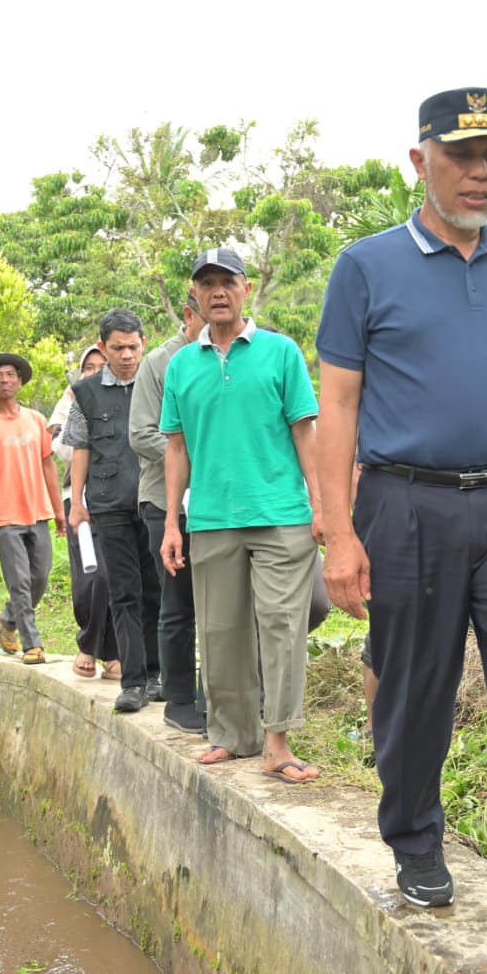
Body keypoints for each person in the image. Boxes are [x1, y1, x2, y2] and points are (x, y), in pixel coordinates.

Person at [314, 88, 487, 974]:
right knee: (414, 690)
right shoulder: (366, 267)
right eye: (462, 155)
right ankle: (414, 835)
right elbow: (340, 406)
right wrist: (339, 535)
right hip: (406, 506)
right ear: (420, 159)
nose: (480, 174)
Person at [160, 247, 321, 785]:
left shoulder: (280, 352)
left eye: (227, 281)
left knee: (281, 627)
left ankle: (277, 741)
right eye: (207, 284)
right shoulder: (182, 364)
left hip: (281, 514)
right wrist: (170, 524)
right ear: (196, 295)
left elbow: (305, 431)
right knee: (222, 630)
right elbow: (177, 449)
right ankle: (233, 735)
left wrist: (322, 509)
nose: (218, 292)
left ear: (245, 288)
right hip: (210, 517)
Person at [66, 308, 162, 712]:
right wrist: (77, 503)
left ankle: (159, 676)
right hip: (109, 506)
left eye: (133, 347)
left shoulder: (160, 383)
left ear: (143, 344)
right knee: (123, 591)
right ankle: (133, 681)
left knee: (157, 591)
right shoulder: (85, 393)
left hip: (156, 501)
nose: (126, 355)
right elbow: (81, 448)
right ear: (103, 348)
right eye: (118, 348)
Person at [129, 294, 209, 734]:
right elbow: (142, 433)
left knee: (219, 606)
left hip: (218, 504)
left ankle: (215, 696)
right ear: (188, 314)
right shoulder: (159, 363)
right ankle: (179, 701)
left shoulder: (229, 355)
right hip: (165, 502)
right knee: (178, 606)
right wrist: (201, 457)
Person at [0, 352, 63, 666]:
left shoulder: (36, 419)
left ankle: (7, 620)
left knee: (41, 576)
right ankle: (31, 643)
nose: (4, 380)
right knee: (19, 581)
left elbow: (48, 465)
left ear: (20, 381)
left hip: (38, 512)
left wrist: (58, 510)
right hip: (5, 517)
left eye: (10, 374)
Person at [55, 346, 121, 680]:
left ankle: (110, 651)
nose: (94, 372)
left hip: (116, 497)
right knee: (89, 577)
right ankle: (91, 645)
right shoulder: (72, 401)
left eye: (101, 366)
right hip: (78, 498)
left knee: (114, 574)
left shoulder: (121, 393)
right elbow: (63, 448)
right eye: (88, 367)